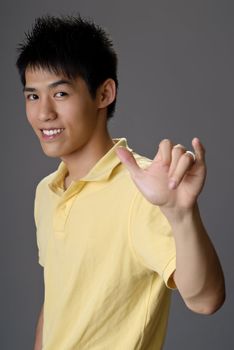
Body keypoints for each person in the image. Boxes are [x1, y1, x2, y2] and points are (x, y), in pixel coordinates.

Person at [16, 15, 225, 350]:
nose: (44, 113)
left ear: (104, 93)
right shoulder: (47, 191)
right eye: (32, 96)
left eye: (61, 93)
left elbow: (206, 300)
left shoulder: (144, 189)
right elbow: (57, 299)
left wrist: (181, 212)